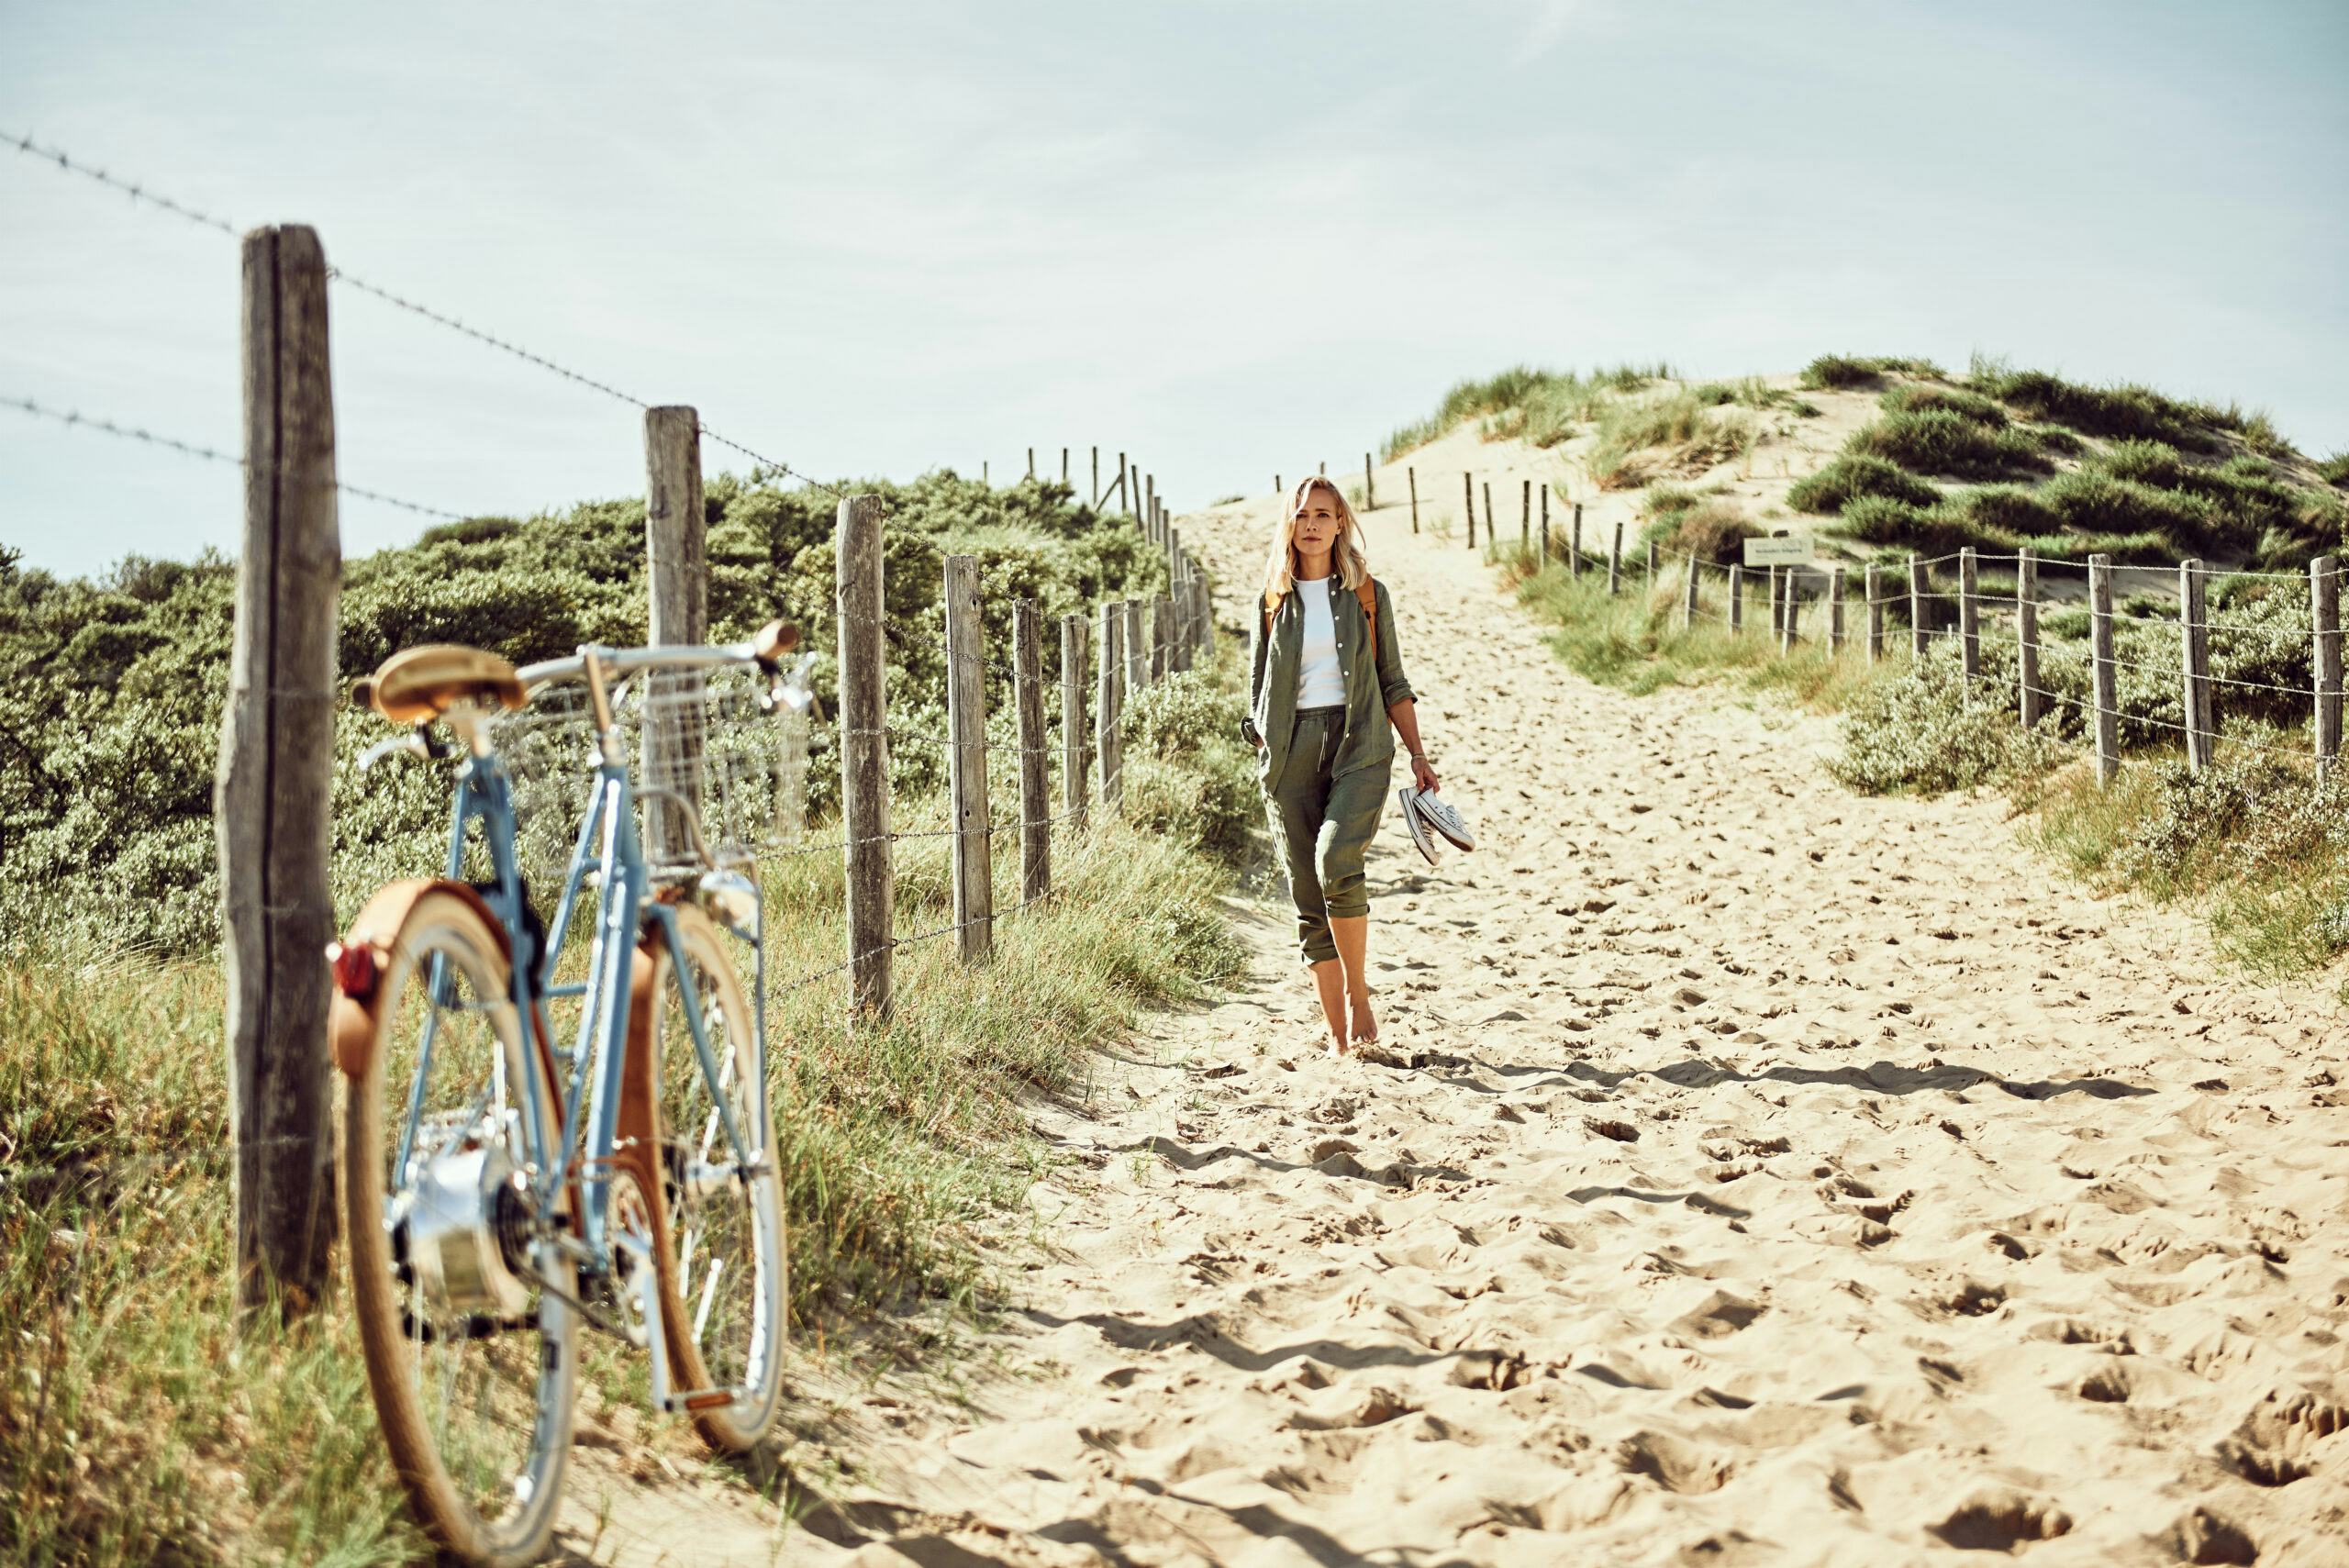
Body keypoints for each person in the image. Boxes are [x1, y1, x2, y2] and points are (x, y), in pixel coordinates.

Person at [1241, 475, 1439, 1056]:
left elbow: (1393, 679)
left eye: (1323, 515)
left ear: (1340, 524)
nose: (1312, 524)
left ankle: (1359, 993)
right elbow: (1259, 682)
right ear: (1289, 524)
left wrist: (1419, 754)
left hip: (1360, 744)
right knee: (1308, 894)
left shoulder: (1367, 595)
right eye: (1302, 514)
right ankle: (1337, 1037)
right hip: (1289, 753)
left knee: (1337, 860)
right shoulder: (1272, 600)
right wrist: (1256, 729)